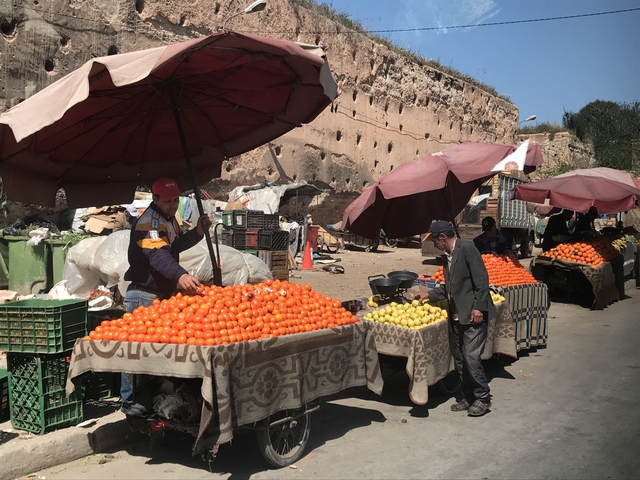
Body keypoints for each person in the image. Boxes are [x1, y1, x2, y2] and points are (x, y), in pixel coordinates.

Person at [119, 177, 212, 416]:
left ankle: (150, 402)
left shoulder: (169, 221)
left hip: (158, 296)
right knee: (135, 354)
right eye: (168, 201)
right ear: (155, 199)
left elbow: (174, 247)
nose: (173, 204)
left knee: (155, 355)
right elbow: (158, 256)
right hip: (143, 296)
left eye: (176, 200)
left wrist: (198, 232)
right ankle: (130, 404)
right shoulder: (148, 223)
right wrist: (180, 276)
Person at [414, 220, 495, 417]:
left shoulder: (468, 249)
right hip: (457, 316)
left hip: (473, 315)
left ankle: (482, 397)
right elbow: (450, 287)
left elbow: (482, 281)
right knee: (460, 359)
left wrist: (478, 308)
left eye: (435, 241)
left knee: (471, 357)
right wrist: (429, 295)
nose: (434, 245)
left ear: (443, 237)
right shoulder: (448, 257)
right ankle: (467, 396)